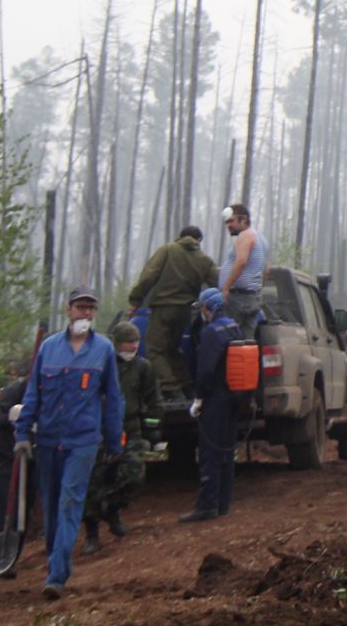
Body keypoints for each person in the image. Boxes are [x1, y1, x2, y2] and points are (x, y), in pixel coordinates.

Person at [15, 287, 125, 600]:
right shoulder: (49, 348)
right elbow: (33, 394)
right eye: (80, 307)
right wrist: (23, 434)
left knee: (69, 503)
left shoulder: (103, 349)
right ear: (68, 310)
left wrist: (114, 441)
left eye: (91, 308)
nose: (86, 313)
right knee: (50, 507)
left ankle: (57, 575)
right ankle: (56, 559)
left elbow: (113, 398)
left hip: (83, 441)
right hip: (48, 440)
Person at [82, 323, 162, 550]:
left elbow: (154, 400)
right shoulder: (101, 365)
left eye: (136, 341)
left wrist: (153, 427)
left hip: (130, 428)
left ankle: (112, 509)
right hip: (99, 430)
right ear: (117, 343)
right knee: (93, 481)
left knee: (135, 475)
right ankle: (92, 532)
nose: (133, 346)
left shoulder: (143, 367)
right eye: (129, 342)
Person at [126, 224, 216, 393]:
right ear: (199, 240)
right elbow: (217, 285)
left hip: (163, 308)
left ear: (180, 236)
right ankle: (187, 386)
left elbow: (148, 276)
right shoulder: (204, 260)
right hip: (185, 312)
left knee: (154, 349)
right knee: (173, 349)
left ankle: (170, 387)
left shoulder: (168, 250)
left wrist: (135, 301)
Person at [179, 288, 242, 523]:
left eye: (202, 308)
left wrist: (199, 398)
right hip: (235, 398)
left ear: (208, 308)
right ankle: (223, 504)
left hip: (216, 399)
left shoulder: (211, 332)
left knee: (210, 452)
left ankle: (207, 506)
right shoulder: (234, 327)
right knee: (227, 452)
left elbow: (205, 369)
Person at [0, 355, 32, 540]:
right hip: (5, 455)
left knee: (26, 507)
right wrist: (12, 420)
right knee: (7, 505)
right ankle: (1, 548)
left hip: (31, 457)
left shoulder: (51, 391)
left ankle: (15, 550)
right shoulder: (14, 391)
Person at [217, 205, 269, 341]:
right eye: (226, 222)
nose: (228, 225)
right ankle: (246, 362)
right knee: (247, 341)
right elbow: (266, 269)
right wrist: (257, 290)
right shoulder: (262, 239)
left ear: (243, 220)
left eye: (231, 221)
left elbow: (241, 261)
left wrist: (226, 288)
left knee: (228, 338)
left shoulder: (245, 235)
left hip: (238, 298)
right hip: (252, 299)